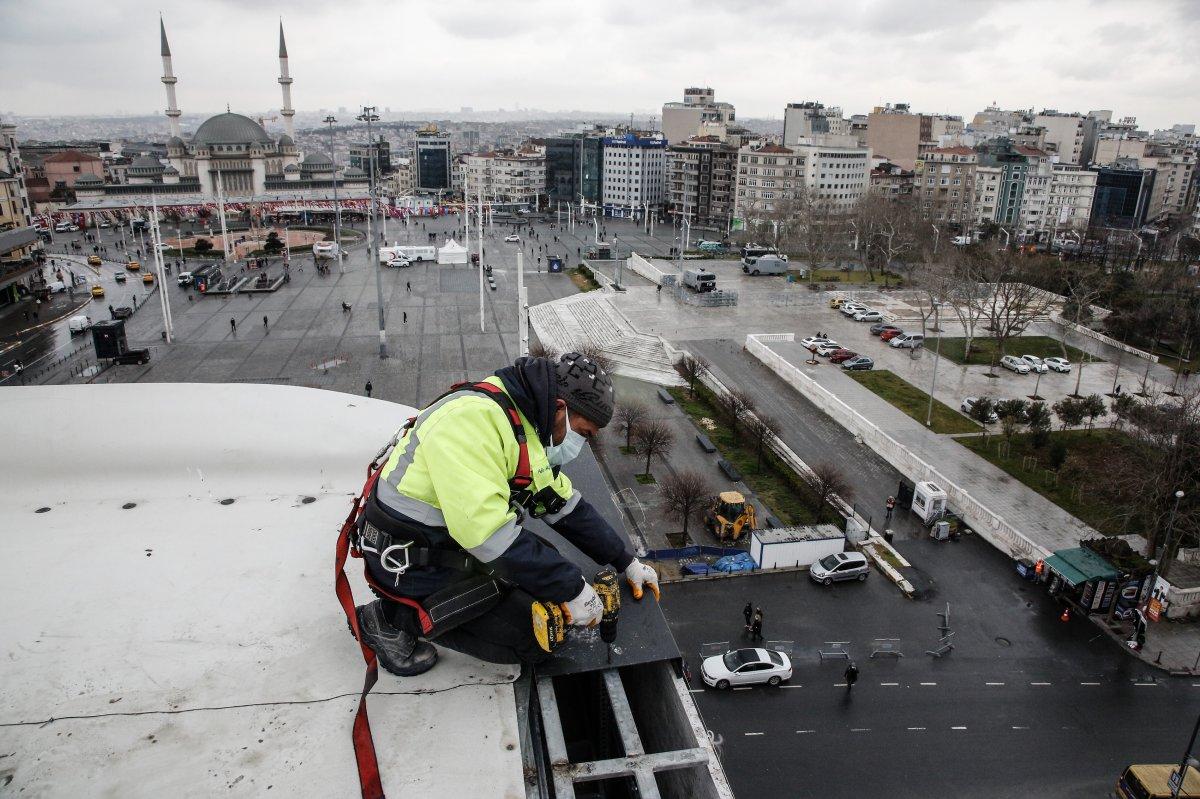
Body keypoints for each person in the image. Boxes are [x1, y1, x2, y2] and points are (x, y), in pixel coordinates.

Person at [351, 352, 660, 674]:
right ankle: (388, 618)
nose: (580, 444)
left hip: (446, 543)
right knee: (534, 639)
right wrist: (573, 588)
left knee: (550, 578)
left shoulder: (521, 423)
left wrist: (626, 561)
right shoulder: (470, 422)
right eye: (583, 433)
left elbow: (562, 504)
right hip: (412, 562)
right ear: (560, 408)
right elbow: (486, 535)